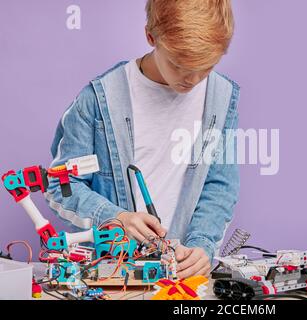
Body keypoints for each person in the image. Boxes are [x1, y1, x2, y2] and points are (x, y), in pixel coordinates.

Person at [45, 0, 240, 279]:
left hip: (182, 280)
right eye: (179, 65)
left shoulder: (222, 97)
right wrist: (115, 218)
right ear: (150, 36)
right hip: (114, 275)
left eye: (206, 67)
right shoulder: (98, 100)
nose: (193, 79)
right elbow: (61, 185)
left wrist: (202, 247)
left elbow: (220, 186)